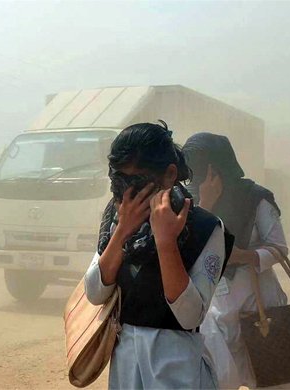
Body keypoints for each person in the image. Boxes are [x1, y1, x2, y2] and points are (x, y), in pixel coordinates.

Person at [83, 122, 233, 389]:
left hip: (177, 372)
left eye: (137, 182)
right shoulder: (116, 221)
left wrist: (166, 243)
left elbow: (189, 316)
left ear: (168, 175)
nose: (127, 193)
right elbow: (95, 292)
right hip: (127, 368)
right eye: (120, 181)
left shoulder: (205, 228)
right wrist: (122, 232)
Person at [182, 132, 290, 389]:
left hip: (259, 299)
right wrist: (206, 203)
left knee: (271, 377)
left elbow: (279, 248)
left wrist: (243, 256)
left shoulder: (255, 198)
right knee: (219, 378)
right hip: (215, 304)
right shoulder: (189, 201)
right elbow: (187, 249)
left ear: (216, 166)